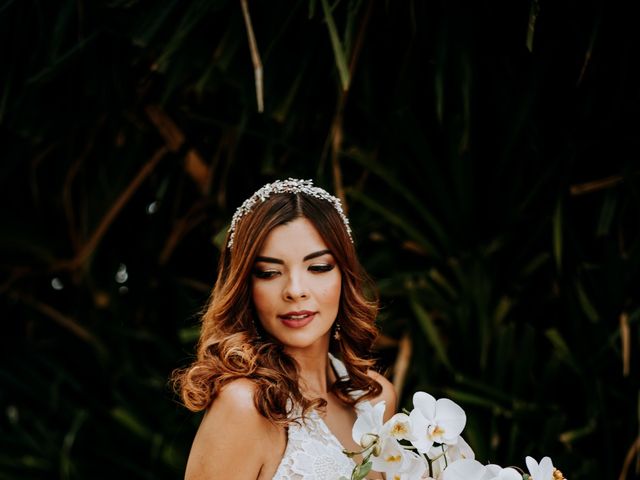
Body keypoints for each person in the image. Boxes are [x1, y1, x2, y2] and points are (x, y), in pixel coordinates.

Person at [173, 178, 396, 479]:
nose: (295, 290)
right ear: (246, 287)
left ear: (345, 276)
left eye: (318, 267)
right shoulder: (245, 406)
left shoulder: (376, 398)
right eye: (269, 272)